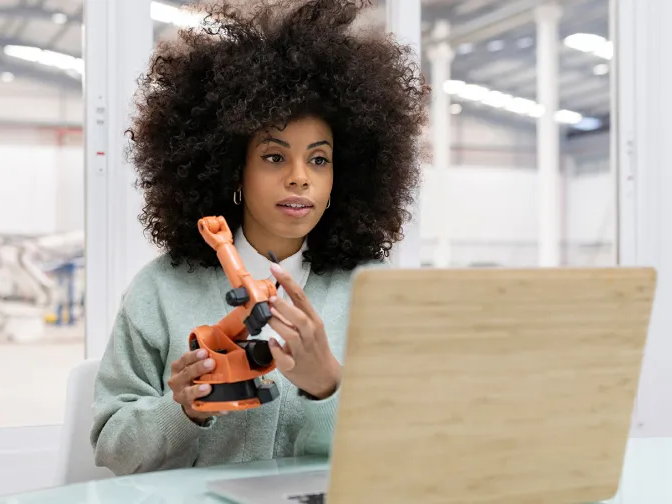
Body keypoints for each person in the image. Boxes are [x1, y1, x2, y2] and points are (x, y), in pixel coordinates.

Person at [90, 0, 428, 476]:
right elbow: (112, 447)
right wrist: (181, 409)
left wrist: (328, 385)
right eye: (274, 157)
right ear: (235, 169)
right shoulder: (160, 291)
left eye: (318, 159)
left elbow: (404, 444)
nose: (299, 178)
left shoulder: (372, 290)